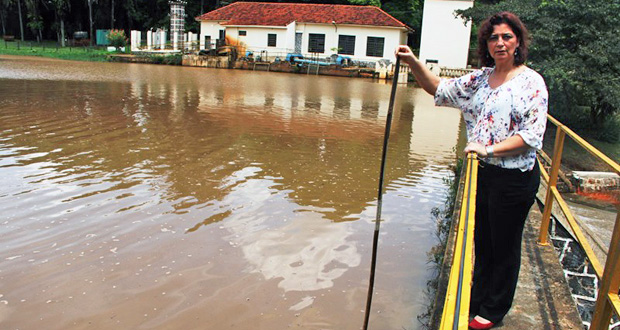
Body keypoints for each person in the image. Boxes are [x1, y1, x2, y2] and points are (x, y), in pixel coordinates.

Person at [396, 12, 548, 330]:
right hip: (482, 174)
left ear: (518, 41)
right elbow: (437, 88)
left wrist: (489, 149)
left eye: (507, 36)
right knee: (483, 240)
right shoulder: (479, 79)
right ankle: (477, 300)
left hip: (514, 177)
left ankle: (494, 309)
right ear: (486, 44)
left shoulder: (531, 82)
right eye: (494, 38)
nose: (500, 42)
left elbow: (531, 137)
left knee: (504, 244)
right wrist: (413, 62)